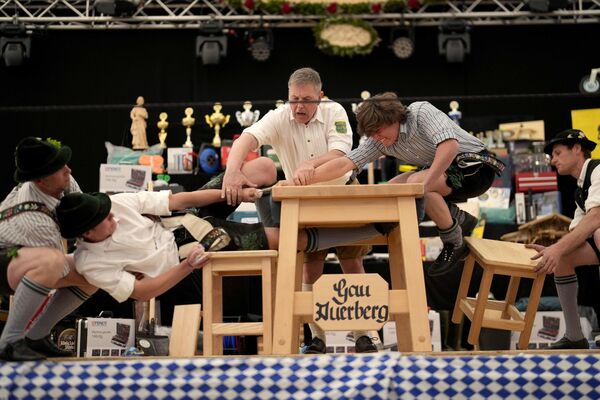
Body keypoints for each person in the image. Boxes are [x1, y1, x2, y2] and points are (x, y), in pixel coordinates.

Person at [221, 67, 378, 354]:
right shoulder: (280, 115)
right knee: (310, 269)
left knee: (352, 264)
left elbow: (341, 153)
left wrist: (311, 164)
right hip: (303, 203)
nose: (299, 106)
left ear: (321, 96)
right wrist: (232, 171)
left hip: (342, 194)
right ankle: (316, 337)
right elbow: (247, 137)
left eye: (306, 100)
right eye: (294, 99)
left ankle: (363, 334)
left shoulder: (335, 112)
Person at [287, 92, 504, 277]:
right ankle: (457, 218)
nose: (377, 138)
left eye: (379, 132)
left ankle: (454, 241)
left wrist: (422, 187)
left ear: (393, 119)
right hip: (444, 174)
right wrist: (302, 179)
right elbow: (345, 163)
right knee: (390, 192)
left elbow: (449, 146)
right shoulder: (379, 139)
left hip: (477, 168)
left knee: (414, 183)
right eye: (373, 135)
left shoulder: (421, 112)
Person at [55, 189, 388, 308]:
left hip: (183, 222)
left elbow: (177, 200)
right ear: (86, 232)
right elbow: (143, 292)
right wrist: (187, 267)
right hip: (187, 255)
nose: (111, 214)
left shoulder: (116, 202)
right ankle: (371, 230)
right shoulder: (89, 263)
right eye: (104, 218)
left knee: (261, 171)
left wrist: (231, 193)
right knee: (288, 241)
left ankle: (360, 223)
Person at [0, 137, 96, 361]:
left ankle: (37, 336)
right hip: (5, 258)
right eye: (59, 167)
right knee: (51, 261)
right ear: (41, 180)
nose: (68, 169)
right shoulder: (33, 220)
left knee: (94, 269)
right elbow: (58, 270)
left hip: (22, 258)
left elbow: (84, 216)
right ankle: (10, 341)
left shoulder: (63, 180)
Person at [526, 129, 599, 349]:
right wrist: (555, 250)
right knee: (564, 258)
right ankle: (575, 336)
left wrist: (557, 249)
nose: (553, 160)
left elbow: (595, 218)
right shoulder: (580, 189)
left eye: (557, 153)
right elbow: (578, 233)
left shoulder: (598, 170)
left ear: (577, 148)